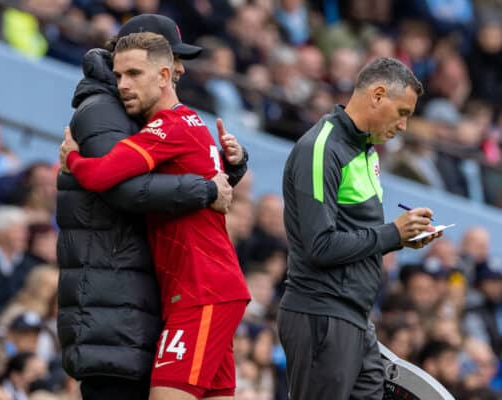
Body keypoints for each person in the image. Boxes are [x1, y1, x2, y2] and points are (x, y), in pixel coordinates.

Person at [55, 14, 248, 400]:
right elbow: (187, 182)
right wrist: (220, 177)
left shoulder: (167, 125)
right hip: (199, 286)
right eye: (121, 73)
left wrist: (72, 159)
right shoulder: (181, 120)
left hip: (200, 288)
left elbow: (104, 177)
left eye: (134, 73)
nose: (180, 66)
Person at [278, 57, 443, 400]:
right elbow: (319, 246)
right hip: (321, 314)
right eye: (403, 113)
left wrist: (402, 239)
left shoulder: (367, 152)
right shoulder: (321, 147)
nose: (404, 127)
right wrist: (391, 234)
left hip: (355, 318)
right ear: (378, 95)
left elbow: (354, 233)